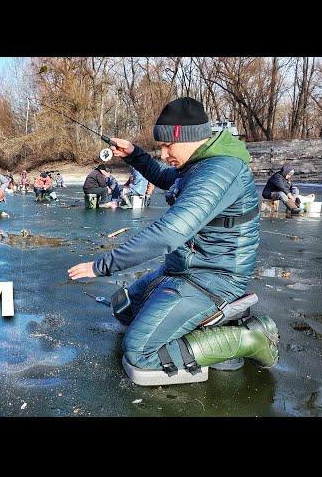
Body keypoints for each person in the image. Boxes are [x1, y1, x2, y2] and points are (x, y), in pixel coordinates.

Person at [68, 97, 278, 377]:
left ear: (192, 137)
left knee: (139, 352)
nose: (164, 154)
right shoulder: (197, 164)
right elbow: (166, 177)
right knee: (124, 308)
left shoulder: (220, 170)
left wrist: (102, 265)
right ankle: (202, 324)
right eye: (161, 147)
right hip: (182, 269)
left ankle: (249, 339)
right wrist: (133, 154)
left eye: (169, 146)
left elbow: (170, 232)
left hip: (215, 278)